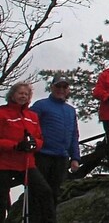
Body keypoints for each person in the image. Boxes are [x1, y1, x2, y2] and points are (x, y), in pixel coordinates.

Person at [0, 82, 56, 223]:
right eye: (20, 93)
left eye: (26, 94)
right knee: (1, 199)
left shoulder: (32, 116)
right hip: (4, 163)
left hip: (26, 162)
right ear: (12, 95)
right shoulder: (2, 113)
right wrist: (16, 146)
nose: (23, 96)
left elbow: (39, 138)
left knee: (44, 191)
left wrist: (34, 144)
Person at [30, 76, 80, 204]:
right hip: (42, 155)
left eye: (64, 87)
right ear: (52, 87)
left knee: (56, 194)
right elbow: (28, 128)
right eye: (58, 86)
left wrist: (75, 157)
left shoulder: (70, 110)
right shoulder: (40, 105)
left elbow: (74, 134)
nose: (61, 90)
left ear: (68, 90)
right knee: (38, 192)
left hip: (62, 158)